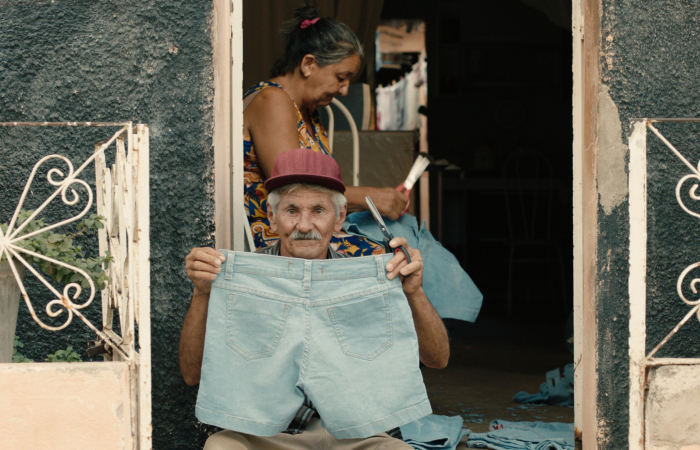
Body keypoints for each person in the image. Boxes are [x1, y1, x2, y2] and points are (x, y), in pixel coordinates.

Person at [180, 148, 450, 450]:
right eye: (291, 210)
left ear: (339, 218)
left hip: (355, 434)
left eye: (319, 211)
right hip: (269, 435)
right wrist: (202, 293)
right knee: (221, 447)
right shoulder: (244, 279)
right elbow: (191, 375)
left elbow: (437, 360)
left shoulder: (370, 275)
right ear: (272, 217)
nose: (305, 225)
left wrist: (414, 291)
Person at [243, 5, 408, 255]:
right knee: (391, 259)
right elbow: (297, 190)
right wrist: (371, 198)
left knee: (410, 242)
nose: (344, 90)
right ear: (309, 64)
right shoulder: (272, 101)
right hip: (284, 237)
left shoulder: (309, 112)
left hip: (312, 231)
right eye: (341, 77)